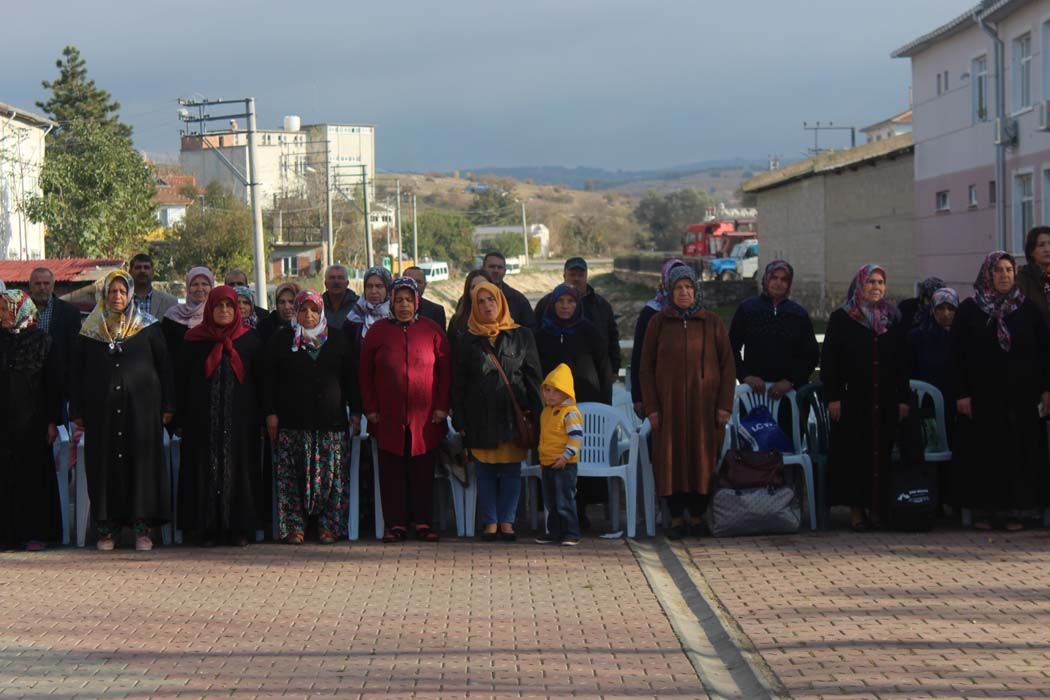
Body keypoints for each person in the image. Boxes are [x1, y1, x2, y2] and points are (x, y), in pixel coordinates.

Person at [70, 271, 175, 551]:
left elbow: (164, 367)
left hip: (142, 413)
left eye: (122, 292)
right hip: (100, 414)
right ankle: (107, 530)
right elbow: (77, 372)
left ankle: (143, 530)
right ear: (104, 295)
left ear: (130, 294)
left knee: (141, 467)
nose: (117, 297)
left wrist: (168, 406)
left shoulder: (148, 327)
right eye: (112, 292)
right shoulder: (91, 330)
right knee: (104, 468)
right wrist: (77, 408)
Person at [950, 252, 1050, 531]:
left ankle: (1014, 512)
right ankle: (984, 511)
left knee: (1018, 453)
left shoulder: (1027, 309)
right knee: (984, 453)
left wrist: (1045, 389)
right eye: (998, 270)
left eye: (1009, 269)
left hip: (1020, 398)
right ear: (987, 274)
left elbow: (1044, 353)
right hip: (981, 398)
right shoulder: (971, 310)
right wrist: (961, 393)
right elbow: (956, 355)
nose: (1005, 275)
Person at [639, 266, 735, 539]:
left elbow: (728, 367)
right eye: (679, 288)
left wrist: (724, 406)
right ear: (669, 291)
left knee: (701, 460)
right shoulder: (658, 323)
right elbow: (645, 368)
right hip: (668, 410)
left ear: (696, 290)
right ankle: (677, 518)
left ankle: (697, 516)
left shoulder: (712, 322)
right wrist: (652, 409)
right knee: (670, 461)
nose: (684, 293)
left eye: (689, 287)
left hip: (704, 410)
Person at [360, 277, 451, 543]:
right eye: (398, 300)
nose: (403, 305)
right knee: (392, 472)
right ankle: (396, 524)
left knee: (423, 471)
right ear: (391, 301)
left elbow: (445, 373)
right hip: (388, 416)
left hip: (425, 418)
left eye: (408, 300)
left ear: (417, 301)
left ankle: (423, 522)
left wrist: (442, 407)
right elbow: (365, 374)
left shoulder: (432, 330)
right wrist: (371, 409)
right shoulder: (377, 331)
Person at [821, 264, 910, 531]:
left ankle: (878, 508)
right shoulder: (843, 317)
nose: (875, 287)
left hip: (884, 400)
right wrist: (833, 397)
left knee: (880, 454)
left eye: (880, 282)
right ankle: (856, 510)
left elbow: (902, 362)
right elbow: (830, 361)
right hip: (852, 400)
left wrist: (904, 398)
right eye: (870, 282)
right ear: (860, 284)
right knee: (853, 454)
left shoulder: (893, 318)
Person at [451, 281, 542, 542]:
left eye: (491, 300)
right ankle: (490, 521)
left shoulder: (522, 335)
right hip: (480, 416)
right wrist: (459, 418)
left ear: (501, 302)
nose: (487, 305)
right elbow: (459, 383)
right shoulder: (467, 340)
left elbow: (534, 377)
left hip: (513, 415)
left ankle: (508, 521)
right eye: (480, 301)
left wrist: (538, 415)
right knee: (485, 471)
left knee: (511, 470)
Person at [261, 290, 354, 544]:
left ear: (321, 311)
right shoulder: (282, 340)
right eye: (303, 310)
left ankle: (329, 527)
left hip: (331, 423)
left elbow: (350, 379)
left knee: (332, 478)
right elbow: (268, 379)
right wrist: (270, 413)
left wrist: (356, 411)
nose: (309, 315)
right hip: (292, 423)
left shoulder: (337, 339)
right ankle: (294, 528)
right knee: (292, 478)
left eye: (314, 310)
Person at [177, 287, 262, 547]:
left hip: (240, 422)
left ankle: (239, 529)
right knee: (203, 469)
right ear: (209, 308)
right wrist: (181, 417)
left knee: (240, 471)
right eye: (218, 306)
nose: (223, 311)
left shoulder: (250, 340)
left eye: (229, 306)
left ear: (237, 310)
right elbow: (182, 381)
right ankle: (205, 529)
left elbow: (260, 382)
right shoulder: (194, 339)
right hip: (202, 422)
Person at [0, 291, 62, 551]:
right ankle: (6, 535)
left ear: (19, 310)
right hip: (3, 423)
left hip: (33, 422)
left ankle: (35, 533)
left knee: (33, 476)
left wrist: (52, 421)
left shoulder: (42, 340)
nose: (1, 314)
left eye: (4, 309)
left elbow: (52, 384)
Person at [729, 260, 820, 399]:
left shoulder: (798, 314)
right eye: (774, 277)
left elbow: (810, 355)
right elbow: (730, 348)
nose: (778, 283)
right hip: (753, 392)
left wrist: (790, 380)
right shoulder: (747, 309)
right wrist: (746, 376)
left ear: (789, 284)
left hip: (790, 395)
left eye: (784, 279)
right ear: (766, 279)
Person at [907, 286, 960, 507]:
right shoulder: (919, 336)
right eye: (940, 308)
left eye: (951, 308)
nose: (946, 314)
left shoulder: (961, 336)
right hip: (927, 409)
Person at [534, 257, 620, 376]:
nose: (576, 278)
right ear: (564, 276)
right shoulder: (546, 304)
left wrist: (615, 368)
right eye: (572, 274)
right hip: (555, 377)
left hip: (593, 375)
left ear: (586, 277)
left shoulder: (601, 305)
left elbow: (612, 337)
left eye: (580, 275)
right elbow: (534, 336)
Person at [534, 283, 612, 404]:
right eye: (560, 301)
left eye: (571, 301)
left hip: (588, 401)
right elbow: (536, 372)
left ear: (577, 304)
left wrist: (606, 403)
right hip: (553, 403)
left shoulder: (589, 331)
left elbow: (604, 367)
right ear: (553, 304)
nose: (565, 306)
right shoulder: (541, 335)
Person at [534, 363, 584, 546]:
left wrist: (565, 457)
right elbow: (544, 437)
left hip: (565, 464)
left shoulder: (570, 413)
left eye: (555, 391)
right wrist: (542, 458)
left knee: (565, 499)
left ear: (566, 392)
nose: (549, 395)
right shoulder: (546, 412)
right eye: (547, 390)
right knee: (551, 501)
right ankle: (554, 532)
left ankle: (571, 532)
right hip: (547, 463)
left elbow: (576, 438)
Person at [630, 258, 686, 414]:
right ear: (666, 280)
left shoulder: (697, 314)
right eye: (674, 278)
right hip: (656, 392)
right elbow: (639, 356)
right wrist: (638, 397)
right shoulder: (651, 313)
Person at [28, 266, 82, 399]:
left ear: (53, 285)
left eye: (46, 283)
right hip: (27, 386)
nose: (42, 288)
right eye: (37, 283)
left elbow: (74, 352)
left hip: (58, 386)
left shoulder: (70, 312)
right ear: (30, 286)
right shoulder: (20, 312)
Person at [162, 266, 214, 361]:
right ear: (188, 288)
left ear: (211, 287)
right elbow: (164, 351)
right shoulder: (172, 315)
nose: (200, 288)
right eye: (194, 284)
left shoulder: (216, 316)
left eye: (205, 284)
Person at [482, 252, 535, 327]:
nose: (496, 270)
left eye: (499, 267)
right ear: (483, 269)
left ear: (505, 271)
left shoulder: (518, 300)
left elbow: (530, 331)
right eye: (492, 266)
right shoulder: (470, 298)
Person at [1015, 225, 1050, 330]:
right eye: (1041, 245)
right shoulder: (1022, 279)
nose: (1047, 249)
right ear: (1031, 252)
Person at [130, 253, 177, 319]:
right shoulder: (120, 301)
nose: (142, 271)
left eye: (146, 267)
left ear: (153, 272)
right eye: (138, 267)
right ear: (130, 272)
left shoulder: (170, 302)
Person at [403, 266, 447, 331]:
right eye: (410, 281)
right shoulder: (388, 309)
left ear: (425, 285)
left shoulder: (436, 311)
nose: (414, 285)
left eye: (418, 282)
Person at [321, 264, 360, 330]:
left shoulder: (359, 304)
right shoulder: (318, 305)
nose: (336, 281)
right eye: (332, 278)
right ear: (325, 284)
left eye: (340, 278)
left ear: (347, 283)